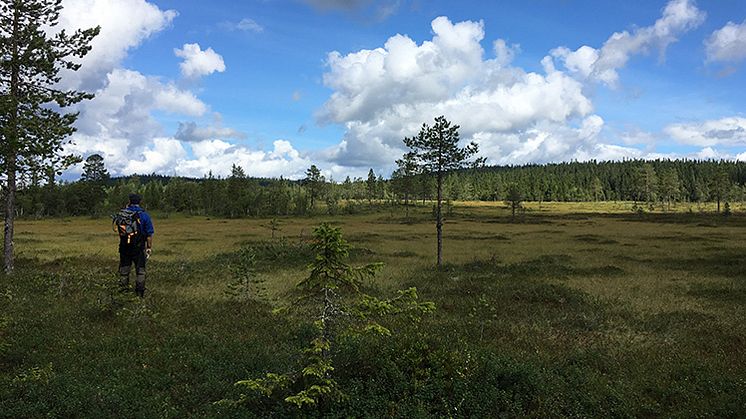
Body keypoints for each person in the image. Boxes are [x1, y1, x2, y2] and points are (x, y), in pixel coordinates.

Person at [118, 193, 154, 298]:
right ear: (139, 202)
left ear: (129, 201)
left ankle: (122, 293)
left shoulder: (122, 214)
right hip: (139, 247)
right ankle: (139, 294)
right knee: (140, 271)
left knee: (124, 271)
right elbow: (149, 234)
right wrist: (149, 248)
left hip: (124, 247)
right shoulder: (144, 215)